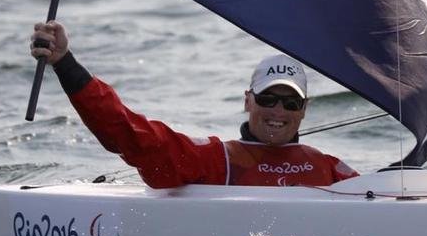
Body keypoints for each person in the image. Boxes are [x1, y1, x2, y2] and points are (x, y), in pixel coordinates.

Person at [29, 21, 359, 188]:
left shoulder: (328, 167)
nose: (278, 111)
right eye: (268, 98)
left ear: (304, 110)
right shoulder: (217, 161)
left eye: (290, 103)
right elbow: (128, 134)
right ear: (248, 101)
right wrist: (66, 64)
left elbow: (383, 199)